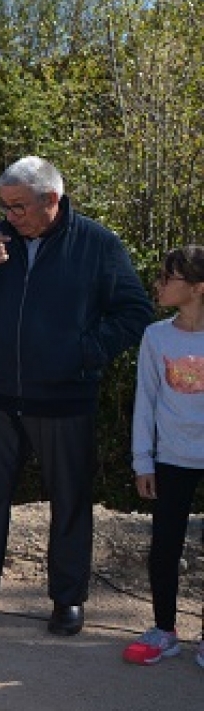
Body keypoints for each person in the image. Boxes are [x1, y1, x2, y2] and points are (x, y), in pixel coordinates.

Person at [0, 155, 151, 635]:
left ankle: (67, 599)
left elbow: (134, 312)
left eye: (18, 207)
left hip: (64, 400)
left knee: (70, 501)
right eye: (5, 207)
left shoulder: (98, 244)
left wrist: (82, 355)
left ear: (51, 199)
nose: (9, 217)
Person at [122, 245, 204, 666]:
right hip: (171, 457)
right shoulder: (156, 336)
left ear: (196, 288)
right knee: (164, 548)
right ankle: (164, 631)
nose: (158, 284)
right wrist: (143, 461)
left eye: (167, 278)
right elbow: (146, 401)